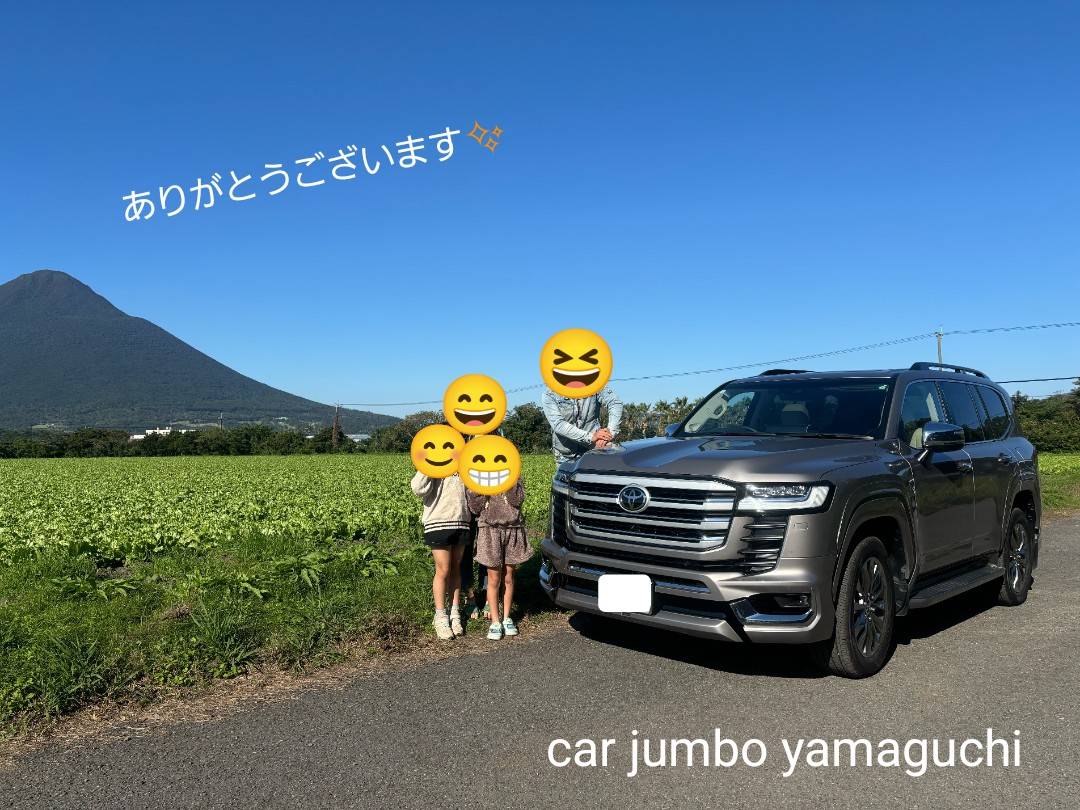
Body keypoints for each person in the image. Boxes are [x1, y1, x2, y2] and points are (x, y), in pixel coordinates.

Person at [410, 467, 472, 640]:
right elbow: (418, 489)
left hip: (461, 520)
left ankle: (454, 613)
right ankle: (440, 616)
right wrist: (429, 466)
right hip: (438, 521)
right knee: (443, 569)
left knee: (455, 568)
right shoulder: (432, 461)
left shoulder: (464, 460)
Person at [467, 478, 532, 640]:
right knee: (493, 578)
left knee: (509, 576)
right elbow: (475, 508)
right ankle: (495, 621)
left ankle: (507, 617)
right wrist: (480, 487)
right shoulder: (478, 478)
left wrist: (508, 481)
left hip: (513, 528)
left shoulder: (514, 475)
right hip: (489, 531)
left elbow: (516, 500)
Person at [541, 387, 623, 464]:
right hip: (565, 455)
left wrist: (609, 433)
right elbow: (558, 424)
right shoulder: (550, 393)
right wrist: (591, 437)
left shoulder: (595, 384)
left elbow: (614, 402)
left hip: (595, 448)